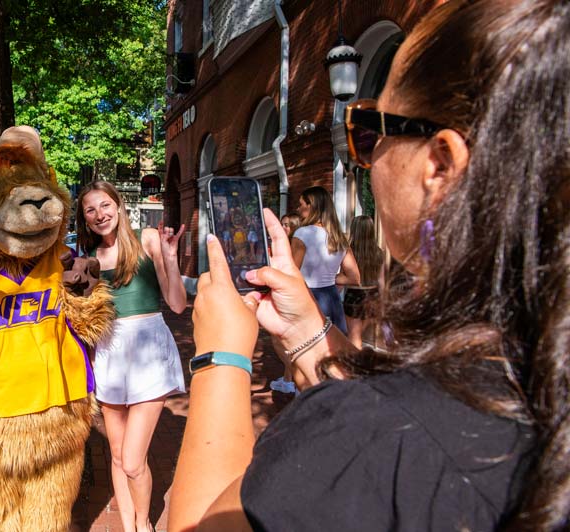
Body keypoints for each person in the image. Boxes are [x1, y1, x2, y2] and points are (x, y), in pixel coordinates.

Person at [169, 0, 568, 530]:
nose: (366, 154)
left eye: (368, 129)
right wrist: (309, 334)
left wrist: (221, 354)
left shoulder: (370, 438)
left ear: (440, 164)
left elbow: (200, 521)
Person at [77, 180, 187, 532]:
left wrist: (170, 259)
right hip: (110, 352)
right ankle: (128, 525)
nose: (100, 215)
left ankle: (143, 524)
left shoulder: (147, 240)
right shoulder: (89, 260)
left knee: (134, 460)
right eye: (91, 210)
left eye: (105, 205)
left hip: (149, 349)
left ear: (119, 205)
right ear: (85, 218)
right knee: (119, 454)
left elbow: (177, 303)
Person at [292, 186, 360, 336]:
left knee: (305, 347)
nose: (298, 209)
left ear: (311, 206)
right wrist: (328, 278)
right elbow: (354, 277)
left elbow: (292, 273)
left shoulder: (302, 233)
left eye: (301, 204)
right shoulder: (339, 237)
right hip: (331, 297)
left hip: (309, 296)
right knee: (334, 347)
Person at [269, 213, 302, 394]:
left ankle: (296, 375)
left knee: (280, 339)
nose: (284, 228)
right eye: (282, 224)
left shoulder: (295, 247)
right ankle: (289, 379)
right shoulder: (285, 245)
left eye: (287, 225)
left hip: (289, 296)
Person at [343, 215, 384, 349]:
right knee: (359, 335)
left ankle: (354, 368)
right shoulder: (379, 253)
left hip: (354, 296)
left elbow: (344, 277)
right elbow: (381, 280)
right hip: (373, 295)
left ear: (354, 230)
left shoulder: (349, 253)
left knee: (354, 338)